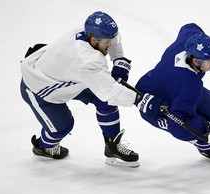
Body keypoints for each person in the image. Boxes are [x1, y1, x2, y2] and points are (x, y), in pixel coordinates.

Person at [20, 11, 142, 168]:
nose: (110, 44)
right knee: (62, 127)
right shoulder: (88, 61)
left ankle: (112, 147)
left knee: (105, 102)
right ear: (93, 39)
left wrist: (119, 60)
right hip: (39, 89)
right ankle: (43, 147)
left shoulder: (88, 31)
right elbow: (111, 92)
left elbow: (115, 40)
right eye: (107, 42)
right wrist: (139, 100)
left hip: (69, 77)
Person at [134, 23, 210, 161]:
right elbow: (178, 126)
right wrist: (209, 129)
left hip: (172, 89)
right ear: (196, 61)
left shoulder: (187, 42)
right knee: (198, 130)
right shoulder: (189, 85)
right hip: (157, 105)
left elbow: (190, 27)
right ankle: (208, 148)